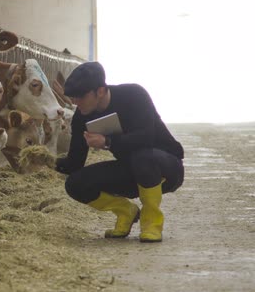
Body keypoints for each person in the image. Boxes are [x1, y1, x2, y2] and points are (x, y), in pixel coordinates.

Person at [55, 61, 184, 242]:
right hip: (132, 170)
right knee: (75, 184)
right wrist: (47, 161)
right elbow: (74, 163)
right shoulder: (82, 116)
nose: (75, 102)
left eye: (80, 97)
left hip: (166, 168)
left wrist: (108, 142)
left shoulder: (133, 95)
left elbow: (146, 136)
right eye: (73, 97)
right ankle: (126, 212)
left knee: (143, 157)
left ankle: (152, 222)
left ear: (100, 91)